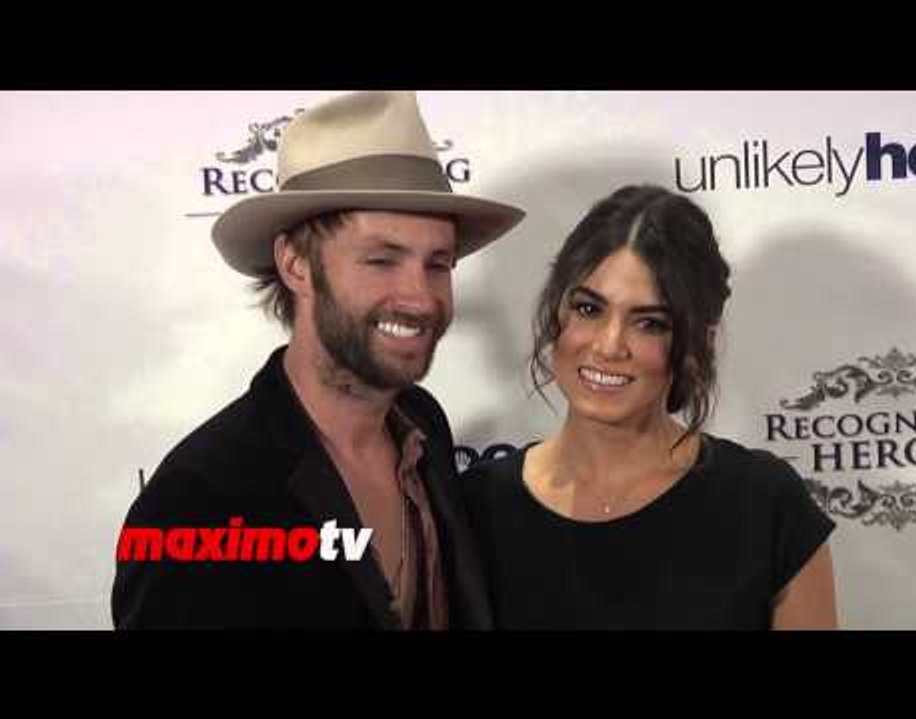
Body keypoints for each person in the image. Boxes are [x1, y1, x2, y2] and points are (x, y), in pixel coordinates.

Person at [111, 91, 524, 629]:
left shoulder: (424, 424)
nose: (421, 297)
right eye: (382, 259)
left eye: (437, 264)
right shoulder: (196, 502)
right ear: (296, 264)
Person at [460, 184, 837, 630]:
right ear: (555, 311)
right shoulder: (473, 508)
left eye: (649, 323)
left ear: (700, 342)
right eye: (588, 308)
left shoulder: (764, 505)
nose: (608, 345)